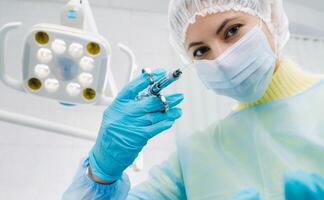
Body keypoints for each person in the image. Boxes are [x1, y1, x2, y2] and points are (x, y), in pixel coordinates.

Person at [62, 0, 324, 199]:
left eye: (232, 30)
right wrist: (101, 173)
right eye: (201, 50)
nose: (220, 58)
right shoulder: (193, 159)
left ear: (272, 17)